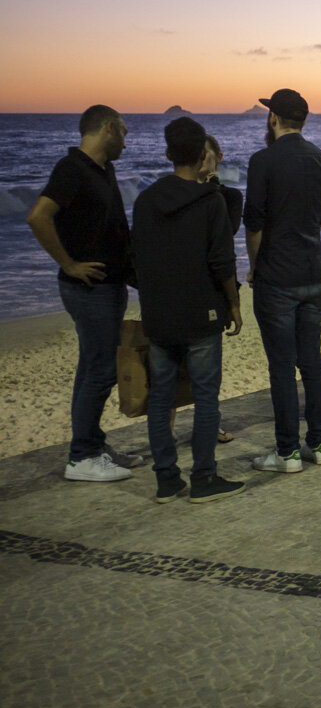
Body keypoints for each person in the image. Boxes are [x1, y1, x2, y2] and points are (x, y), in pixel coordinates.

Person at [26, 105, 145, 481]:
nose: (127, 141)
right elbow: (38, 216)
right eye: (124, 132)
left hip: (108, 286)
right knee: (101, 370)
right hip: (88, 289)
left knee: (90, 368)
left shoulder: (101, 169)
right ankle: (82, 457)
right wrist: (69, 263)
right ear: (108, 128)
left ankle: (91, 443)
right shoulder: (72, 169)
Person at [130, 118, 246, 504]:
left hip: (159, 315)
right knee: (205, 396)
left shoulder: (146, 200)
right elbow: (221, 260)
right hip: (201, 314)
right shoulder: (210, 201)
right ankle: (204, 477)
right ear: (201, 155)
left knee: (161, 396)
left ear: (167, 154)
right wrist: (233, 303)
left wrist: (153, 294)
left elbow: (135, 258)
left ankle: (166, 479)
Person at [246, 88, 321, 473]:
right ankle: (319, 443)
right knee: (312, 362)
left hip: (277, 278)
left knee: (282, 367)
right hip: (314, 273)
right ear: (303, 120)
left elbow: (254, 224)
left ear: (273, 118)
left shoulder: (263, 161)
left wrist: (254, 266)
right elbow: (319, 220)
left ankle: (286, 453)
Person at [200, 133, 242, 444]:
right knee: (170, 368)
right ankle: (171, 428)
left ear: (219, 157)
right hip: (179, 285)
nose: (203, 162)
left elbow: (225, 237)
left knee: (209, 367)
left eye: (208, 156)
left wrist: (212, 191)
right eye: (197, 156)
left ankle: (209, 424)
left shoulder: (230, 197)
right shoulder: (173, 194)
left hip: (213, 285)